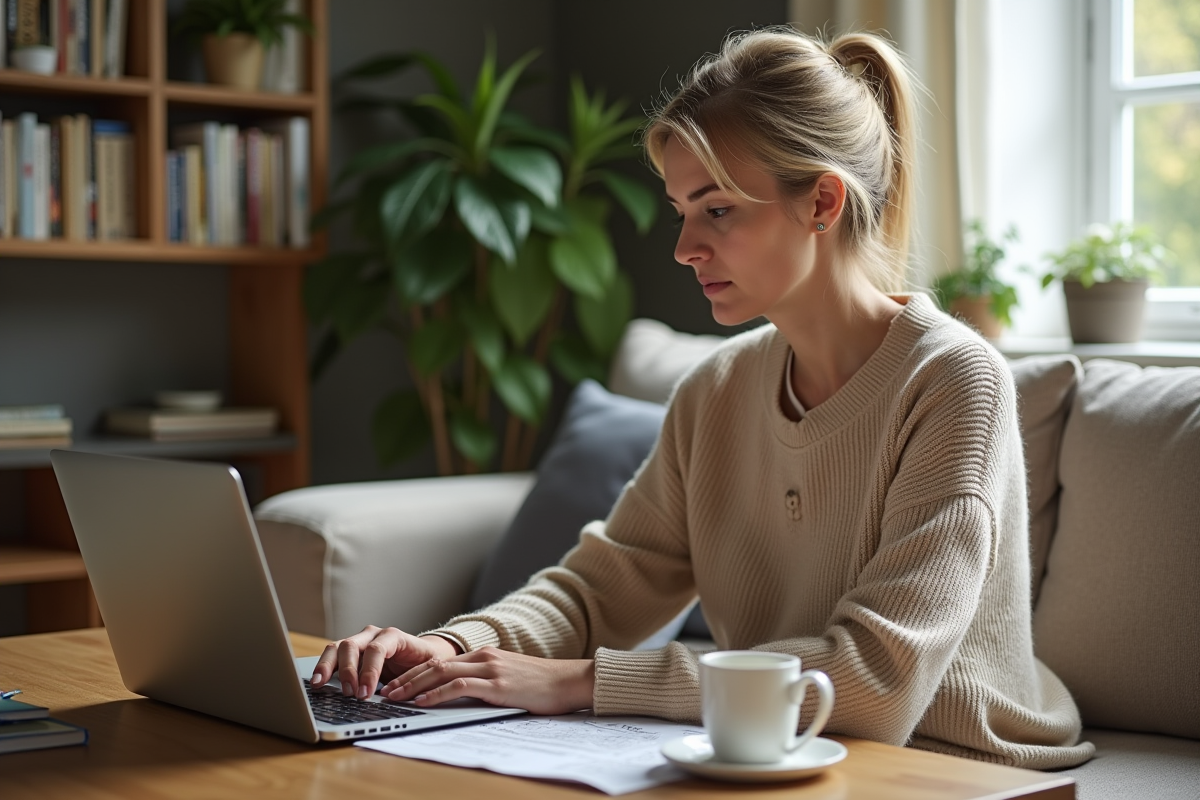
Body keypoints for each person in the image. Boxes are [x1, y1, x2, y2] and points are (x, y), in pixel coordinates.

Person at [311, 27, 1094, 768]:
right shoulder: (716, 390)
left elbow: (874, 682)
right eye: (683, 212)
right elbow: (597, 592)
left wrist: (583, 683)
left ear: (822, 203)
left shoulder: (953, 382)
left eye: (717, 210)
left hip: (950, 764)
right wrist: (454, 649)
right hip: (768, 748)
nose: (685, 248)